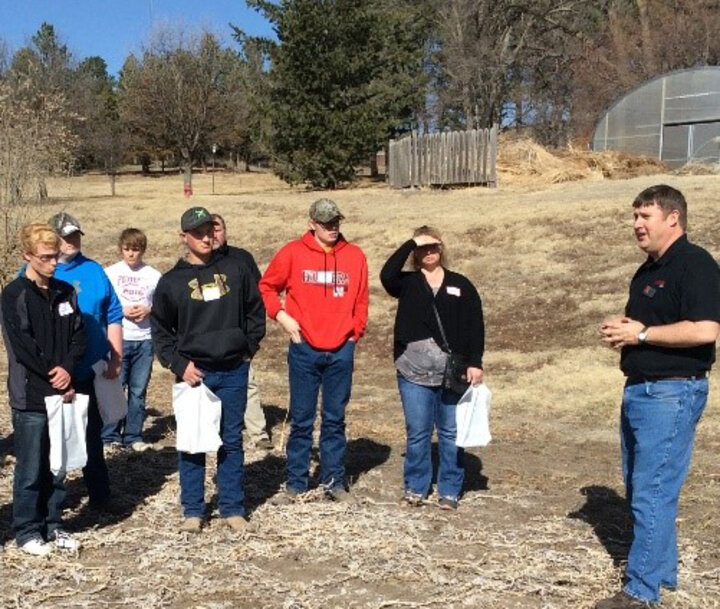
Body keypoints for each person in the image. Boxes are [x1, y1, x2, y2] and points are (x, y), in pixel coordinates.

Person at [598, 185, 720, 608]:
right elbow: (646, 327)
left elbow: (705, 330)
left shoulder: (696, 264)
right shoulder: (647, 271)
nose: (636, 224)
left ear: (673, 218)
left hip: (672, 393)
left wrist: (642, 333)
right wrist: (626, 330)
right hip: (640, 390)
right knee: (643, 489)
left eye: (644, 216)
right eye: (635, 216)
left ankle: (640, 591)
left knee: (653, 491)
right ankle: (663, 573)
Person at [151, 206, 266, 533]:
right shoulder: (171, 282)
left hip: (233, 369)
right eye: (197, 232)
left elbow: (256, 312)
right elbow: (160, 331)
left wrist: (248, 349)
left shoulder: (236, 269)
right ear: (183, 236)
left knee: (231, 440)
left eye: (209, 231)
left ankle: (232, 507)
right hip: (195, 374)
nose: (205, 237)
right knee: (193, 442)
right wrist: (179, 364)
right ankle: (193, 511)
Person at [259, 198, 368, 502]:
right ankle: (296, 483)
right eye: (325, 224)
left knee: (334, 418)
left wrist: (353, 334)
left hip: (341, 350)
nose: (332, 228)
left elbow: (361, 299)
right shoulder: (292, 253)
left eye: (336, 223)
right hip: (304, 348)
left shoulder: (355, 256)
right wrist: (282, 317)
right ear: (311, 224)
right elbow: (267, 286)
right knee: (302, 419)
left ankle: (334, 481)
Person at [380, 226, 484, 511]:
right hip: (412, 371)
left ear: (442, 249)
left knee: (450, 432)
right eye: (423, 248)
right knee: (418, 432)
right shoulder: (407, 282)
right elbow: (386, 274)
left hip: (452, 371)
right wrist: (411, 241)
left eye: (434, 247)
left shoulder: (461, 284)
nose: (429, 253)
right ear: (415, 253)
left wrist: (476, 362)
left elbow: (475, 325)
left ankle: (449, 489)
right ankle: (415, 487)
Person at [1, 223, 86, 555]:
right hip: (31, 394)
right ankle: (26, 530)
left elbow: (78, 335)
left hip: (63, 390)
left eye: (56, 256)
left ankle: (54, 524)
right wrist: (52, 374)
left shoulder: (66, 292)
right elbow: (22, 345)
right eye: (46, 258)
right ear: (27, 257)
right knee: (31, 466)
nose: (54, 263)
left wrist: (68, 369)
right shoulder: (14, 295)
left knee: (58, 463)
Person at [49, 212, 123, 511]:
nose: (72, 242)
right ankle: (53, 502)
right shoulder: (38, 273)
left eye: (76, 236)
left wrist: (115, 356)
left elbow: (113, 313)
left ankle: (100, 496)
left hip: (89, 367)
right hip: (54, 373)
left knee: (92, 435)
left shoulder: (94, 270)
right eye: (66, 237)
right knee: (56, 439)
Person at [211, 213, 273, 451]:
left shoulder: (241, 258)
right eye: (210, 230)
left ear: (226, 232)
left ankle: (258, 433)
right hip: (209, 338)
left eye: (218, 229)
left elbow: (257, 298)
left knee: (249, 384)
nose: (214, 235)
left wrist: (251, 340)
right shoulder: (199, 261)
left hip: (239, 337)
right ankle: (213, 432)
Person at [102, 228, 162, 451]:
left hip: (144, 339)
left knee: (138, 390)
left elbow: (163, 305)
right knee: (117, 387)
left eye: (135, 250)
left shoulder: (153, 275)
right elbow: (104, 302)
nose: (131, 254)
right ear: (120, 249)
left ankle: (133, 435)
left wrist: (149, 310)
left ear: (143, 250)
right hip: (119, 337)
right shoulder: (109, 273)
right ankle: (110, 435)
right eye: (127, 249)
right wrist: (121, 310)